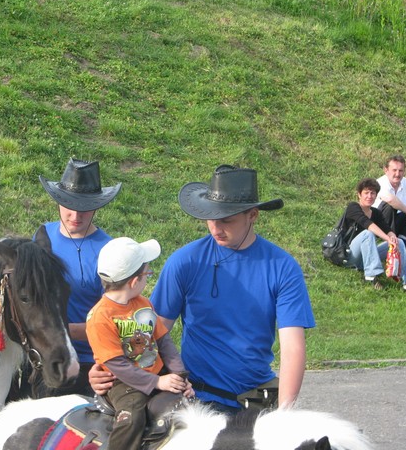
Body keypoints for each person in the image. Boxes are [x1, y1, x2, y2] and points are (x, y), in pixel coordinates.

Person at [90, 164, 315, 414]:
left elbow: (292, 349)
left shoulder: (283, 267)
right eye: (210, 218)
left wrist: (284, 414)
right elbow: (149, 334)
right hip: (196, 401)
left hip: (255, 401)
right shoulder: (185, 261)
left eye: (226, 220)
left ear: (253, 215)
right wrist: (109, 368)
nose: (215, 228)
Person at [86, 237, 193, 450]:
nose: (148, 278)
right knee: (132, 418)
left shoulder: (143, 303)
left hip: (156, 372)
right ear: (135, 281)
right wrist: (156, 382)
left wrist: (181, 377)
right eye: (147, 274)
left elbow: (164, 343)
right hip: (123, 383)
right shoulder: (99, 317)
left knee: (189, 406)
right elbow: (117, 365)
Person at [37, 158, 122, 395]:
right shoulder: (43, 236)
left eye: (83, 208)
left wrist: (57, 328)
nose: (75, 215)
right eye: (68, 206)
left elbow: (113, 323)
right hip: (42, 356)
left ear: (96, 206)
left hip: (88, 365)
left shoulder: (110, 251)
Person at [345, 178, 406, 292]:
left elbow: (387, 229)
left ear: (376, 195)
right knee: (367, 233)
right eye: (366, 193)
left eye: (372, 193)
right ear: (359, 195)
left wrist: (392, 238)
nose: (369, 196)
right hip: (349, 255)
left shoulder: (376, 212)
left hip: (367, 256)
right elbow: (368, 224)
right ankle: (371, 276)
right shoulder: (353, 207)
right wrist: (387, 238)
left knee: (399, 241)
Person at [372, 155, 406, 252]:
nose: (397, 174)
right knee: (390, 206)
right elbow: (390, 199)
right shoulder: (379, 183)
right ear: (386, 170)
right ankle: (391, 238)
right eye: (394, 170)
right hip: (381, 223)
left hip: (399, 220)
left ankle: (404, 237)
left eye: (400, 170)